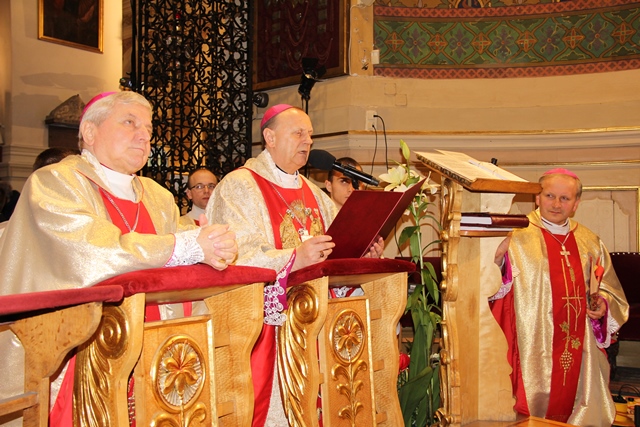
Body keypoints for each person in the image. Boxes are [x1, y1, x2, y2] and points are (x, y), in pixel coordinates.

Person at [0, 91, 237, 427]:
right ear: (90, 131)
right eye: (130, 122)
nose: (144, 136)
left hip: (157, 353)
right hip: (79, 353)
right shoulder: (54, 182)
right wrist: (184, 246)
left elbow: (188, 261)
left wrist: (215, 248)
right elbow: (89, 251)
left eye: (149, 129)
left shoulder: (158, 196)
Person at [207, 104, 383, 426]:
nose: (308, 141)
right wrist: (293, 258)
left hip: (317, 322)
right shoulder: (239, 186)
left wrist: (363, 253)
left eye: (310, 135)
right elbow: (235, 254)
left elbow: (336, 248)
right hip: (269, 327)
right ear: (270, 137)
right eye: (299, 133)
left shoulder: (315, 194)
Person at [491, 168, 628, 426]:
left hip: (579, 341)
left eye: (565, 198)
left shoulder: (590, 241)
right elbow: (490, 285)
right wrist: (497, 261)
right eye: (550, 196)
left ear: (576, 204)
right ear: (537, 198)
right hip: (532, 339)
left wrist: (602, 304)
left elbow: (610, 289)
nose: (556, 204)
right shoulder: (515, 235)